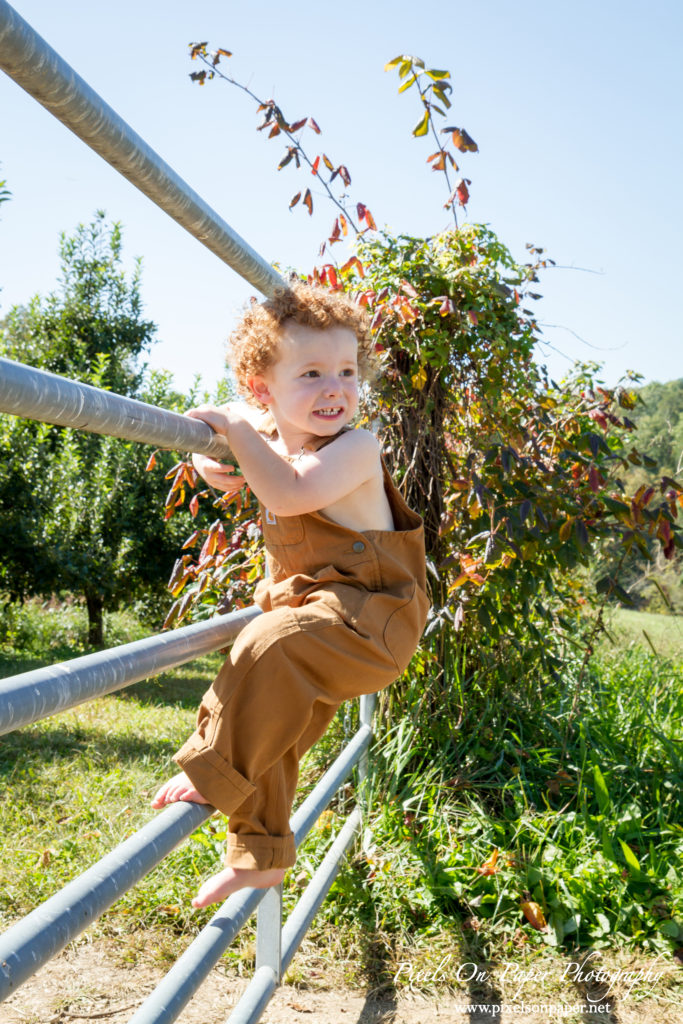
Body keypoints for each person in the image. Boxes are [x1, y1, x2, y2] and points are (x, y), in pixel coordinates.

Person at [152, 283, 429, 908]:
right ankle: (260, 855)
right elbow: (254, 457)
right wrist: (213, 455)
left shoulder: (356, 447)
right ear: (263, 389)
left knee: (267, 645)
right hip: (320, 616)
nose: (335, 388)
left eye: (346, 371)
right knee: (274, 711)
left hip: (372, 620)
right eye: (311, 373)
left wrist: (235, 429)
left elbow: (287, 493)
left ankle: (213, 770)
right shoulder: (278, 445)